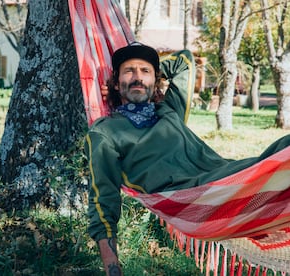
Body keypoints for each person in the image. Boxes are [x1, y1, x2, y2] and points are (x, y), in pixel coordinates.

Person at [84, 42, 290, 275]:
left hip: (231, 175)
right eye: (129, 71)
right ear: (115, 81)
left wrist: (153, 70)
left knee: (285, 149)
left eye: (145, 71)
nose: (137, 78)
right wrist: (112, 267)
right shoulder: (106, 132)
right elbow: (103, 197)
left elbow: (184, 62)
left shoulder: (169, 110)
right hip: (195, 196)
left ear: (156, 79)